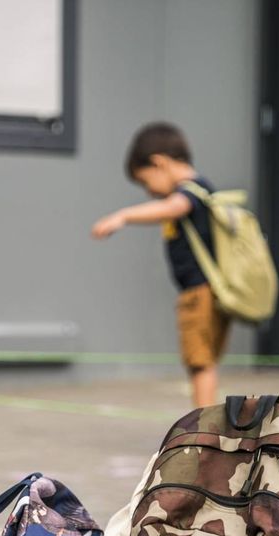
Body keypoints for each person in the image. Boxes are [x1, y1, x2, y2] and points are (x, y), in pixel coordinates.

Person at [91, 122, 230, 408]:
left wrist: (123, 216)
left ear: (159, 163)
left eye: (145, 182)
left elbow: (174, 207)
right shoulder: (198, 189)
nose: (149, 192)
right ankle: (205, 421)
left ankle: (204, 426)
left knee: (200, 363)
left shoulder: (191, 191)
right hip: (205, 292)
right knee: (203, 362)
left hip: (199, 293)